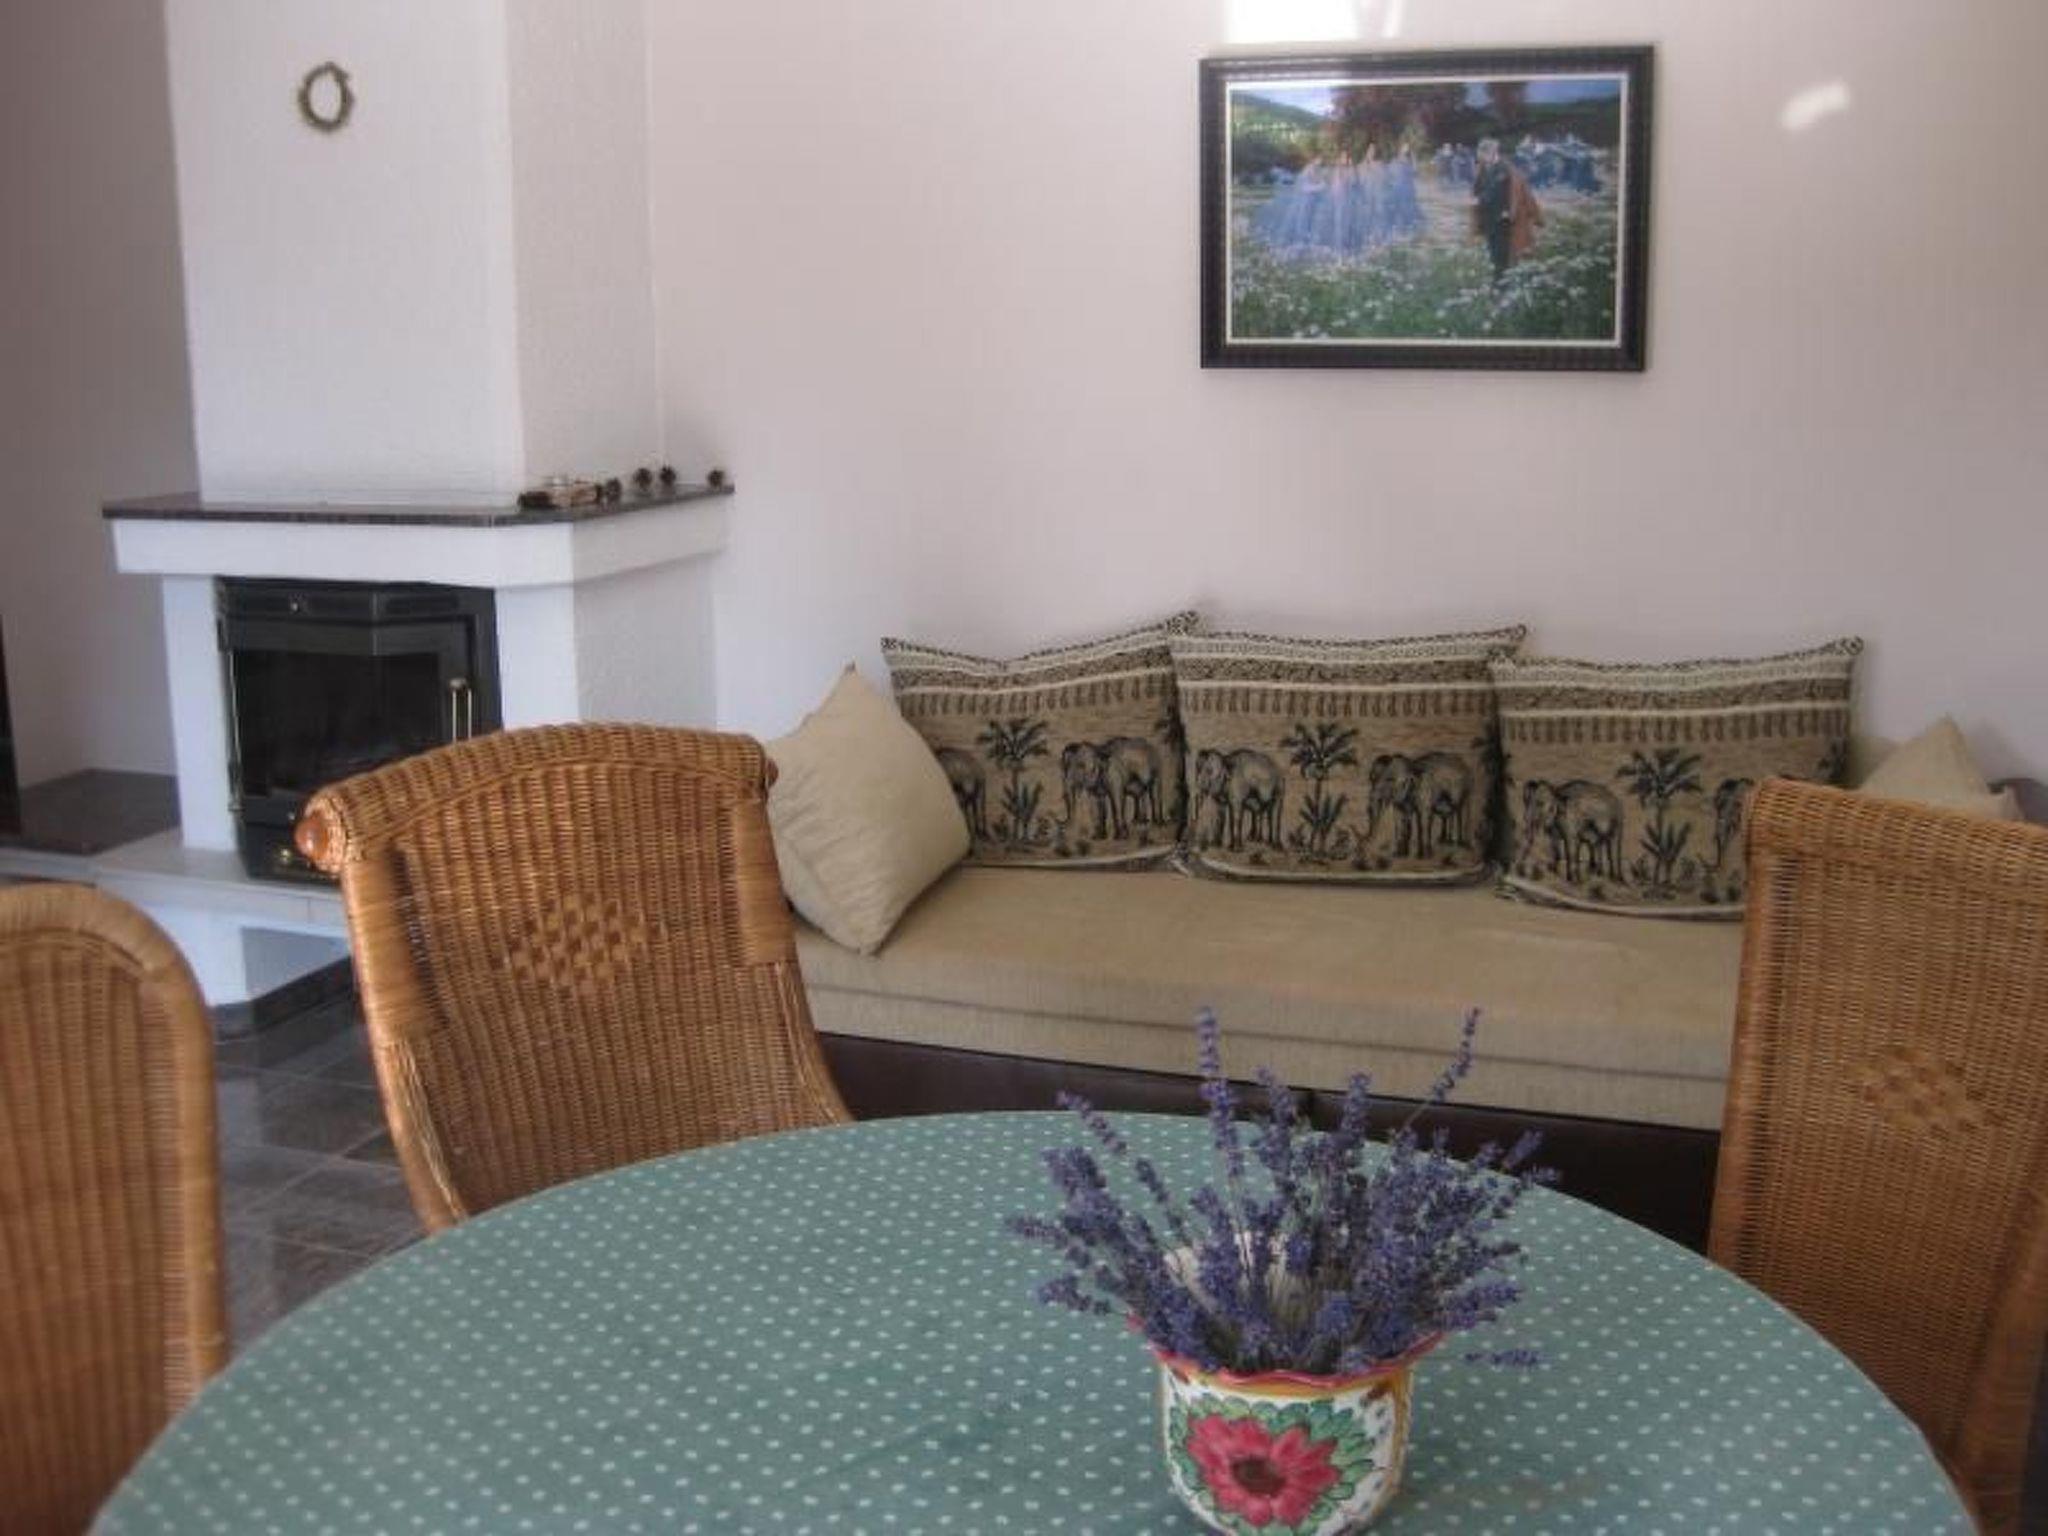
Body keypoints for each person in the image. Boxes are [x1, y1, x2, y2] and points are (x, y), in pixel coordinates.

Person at [1472, 137, 1543, 280]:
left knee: (1503, 256)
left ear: (1493, 153)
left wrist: (1480, 200)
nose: (1482, 160)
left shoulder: (1505, 170)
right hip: (1488, 219)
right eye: (1481, 157)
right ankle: (1498, 282)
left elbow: (1495, 192)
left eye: (1484, 156)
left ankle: (1502, 284)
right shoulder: (1484, 168)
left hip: (1503, 220)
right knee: (1493, 254)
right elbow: (1478, 189)